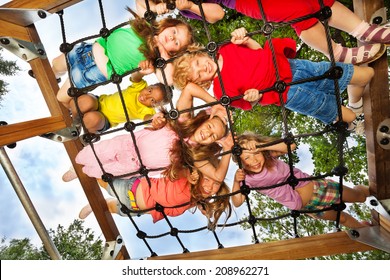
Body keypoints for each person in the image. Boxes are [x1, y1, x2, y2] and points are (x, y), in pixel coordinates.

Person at [172, 27, 375, 134]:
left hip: (292, 67)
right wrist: (254, 96)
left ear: (199, 54)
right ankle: (356, 124)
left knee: (363, 75)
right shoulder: (220, 92)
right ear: (201, 83)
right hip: (288, 93)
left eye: (198, 62)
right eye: (198, 75)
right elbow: (249, 102)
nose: (202, 69)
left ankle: (356, 102)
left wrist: (245, 38)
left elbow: (259, 51)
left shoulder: (227, 47)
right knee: (336, 111)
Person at [62, 81, 233, 182]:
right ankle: (75, 164)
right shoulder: (184, 121)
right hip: (127, 144)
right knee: (87, 155)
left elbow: (217, 176)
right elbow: (189, 88)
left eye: (213, 136)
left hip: (133, 167)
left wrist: (227, 148)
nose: (208, 134)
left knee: (95, 172)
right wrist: (215, 103)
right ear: (205, 121)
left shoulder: (194, 155)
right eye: (210, 128)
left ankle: (79, 172)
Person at [138, 0, 389, 65]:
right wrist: (189, 5)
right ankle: (336, 52)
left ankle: (363, 29)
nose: (169, 37)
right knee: (297, 9)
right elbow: (217, 14)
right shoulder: (183, 11)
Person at [51, 7, 194, 109]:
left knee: (61, 99)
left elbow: (168, 80)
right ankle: (55, 76)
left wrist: (162, 51)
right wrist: (157, 7)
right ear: (168, 25)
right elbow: (141, 4)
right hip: (85, 50)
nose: (171, 37)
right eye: (174, 31)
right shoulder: (147, 24)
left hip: (91, 73)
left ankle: (73, 112)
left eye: (176, 42)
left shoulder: (156, 59)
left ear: (174, 52)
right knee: (56, 64)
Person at [231, 132, 371, 228]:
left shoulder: (270, 157)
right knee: (341, 219)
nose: (254, 160)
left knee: (359, 197)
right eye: (247, 158)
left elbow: (291, 146)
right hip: (308, 208)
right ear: (241, 162)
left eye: (256, 154)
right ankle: (363, 229)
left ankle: (365, 190)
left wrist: (262, 145)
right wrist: (237, 181)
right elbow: (237, 202)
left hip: (319, 189)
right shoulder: (247, 179)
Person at [78, 161, 232, 228]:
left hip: (137, 210)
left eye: (215, 186)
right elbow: (174, 173)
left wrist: (201, 205)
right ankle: (82, 168)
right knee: (103, 182)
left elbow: (174, 207)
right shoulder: (188, 178)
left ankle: (93, 205)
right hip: (133, 189)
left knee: (110, 208)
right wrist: (187, 172)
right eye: (208, 179)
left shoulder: (191, 201)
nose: (209, 186)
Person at [69, 62, 170, 134]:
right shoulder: (139, 87)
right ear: (149, 86)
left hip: (104, 121)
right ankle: (75, 121)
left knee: (94, 118)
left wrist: (153, 119)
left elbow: (148, 119)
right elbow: (136, 76)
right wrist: (142, 70)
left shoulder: (147, 111)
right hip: (98, 102)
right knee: (87, 102)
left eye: (152, 100)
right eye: (149, 91)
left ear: (154, 106)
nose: (146, 97)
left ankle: (84, 131)